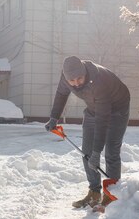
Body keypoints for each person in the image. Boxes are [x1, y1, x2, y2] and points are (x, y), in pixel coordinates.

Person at [45, 56, 130, 209]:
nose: (76, 83)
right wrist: (54, 118)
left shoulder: (99, 81)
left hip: (117, 109)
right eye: (72, 81)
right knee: (87, 152)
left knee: (111, 151)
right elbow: (61, 94)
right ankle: (94, 192)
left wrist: (98, 152)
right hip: (93, 109)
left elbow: (102, 120)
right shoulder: (66, 77)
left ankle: (112, 195)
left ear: (84, 72)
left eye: (79, 78)